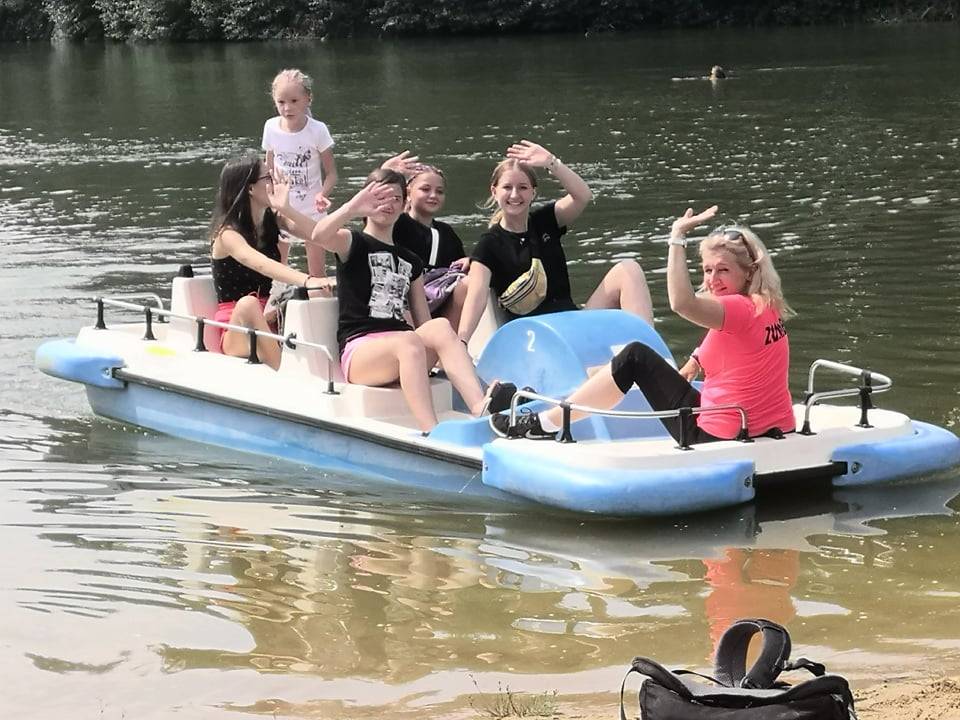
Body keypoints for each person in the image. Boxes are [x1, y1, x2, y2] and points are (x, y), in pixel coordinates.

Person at [491, 205, 796, 442]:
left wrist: (676, 238)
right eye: (707, 270)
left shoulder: (734, 308)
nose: (713, 280)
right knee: (613, 368)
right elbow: (730, 344)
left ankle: (542, 424)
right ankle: (571, 400)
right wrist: (694, 361)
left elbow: (682, 303)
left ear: (748, 271)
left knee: (635, 356)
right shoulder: (766, 305)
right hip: (774, 426)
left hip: (716, 434)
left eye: (723, 270)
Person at [308, 168, 515, 433]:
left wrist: (441, 348)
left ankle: (479, 406)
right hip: (361, 352)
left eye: (396, 198)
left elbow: (423, 323)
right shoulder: (352, 242)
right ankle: (432, 430)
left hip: (405, 347)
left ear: (405, 203)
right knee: (407, 342)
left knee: (439, 327)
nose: (389, 204)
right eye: (380, 197)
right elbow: (319, 236)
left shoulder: (410, 260)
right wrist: (352, 207)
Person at [457, 140, 653, 345]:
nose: (515, 195)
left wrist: (551, 162)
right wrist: (462, 342)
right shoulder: (488, 245)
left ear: (533, 193)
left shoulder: (546, 221)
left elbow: (583, 196)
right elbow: (476, 297)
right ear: (494, 191)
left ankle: (650, 351)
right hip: (532, 340)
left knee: (629, 270)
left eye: (522, 187)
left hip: (571, 324)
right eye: (507, 187)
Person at [209, 155, 332, 370]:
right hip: (237, 327)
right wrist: (308, 280)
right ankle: (284, 374)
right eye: (268, 177)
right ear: (250, 188)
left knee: (319, 295)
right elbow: (260, 263)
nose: (275, 181)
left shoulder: (274, 220)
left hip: (272, 314)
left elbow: (320, 236)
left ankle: (327, 368)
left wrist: (286, 208)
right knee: (248, 303)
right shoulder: (227, 234)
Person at [261, 68, 338, 278]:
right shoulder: (271, 127)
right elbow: (268, 170)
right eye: (281, 102)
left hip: (311, 211)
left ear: (308, 99)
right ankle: (277, 299)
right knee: (277, 270)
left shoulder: (317, 130)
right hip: (281, 211)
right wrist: (268, 202)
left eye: (294, 101)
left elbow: (332, 174)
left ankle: (318, 297)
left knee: (317, 274)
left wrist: (322, 194)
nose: (287, 108)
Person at [381, 152, 470, 327]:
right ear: (408, 192)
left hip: (438, 301)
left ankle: (455, 338)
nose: (433, 195)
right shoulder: (396, 222)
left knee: (470, 282)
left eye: (439, 191)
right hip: (403, 303)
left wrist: (470, 261)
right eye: (425, 189)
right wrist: (385, 175)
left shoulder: (446, 233)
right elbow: (375, 210)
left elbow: (458, 268)